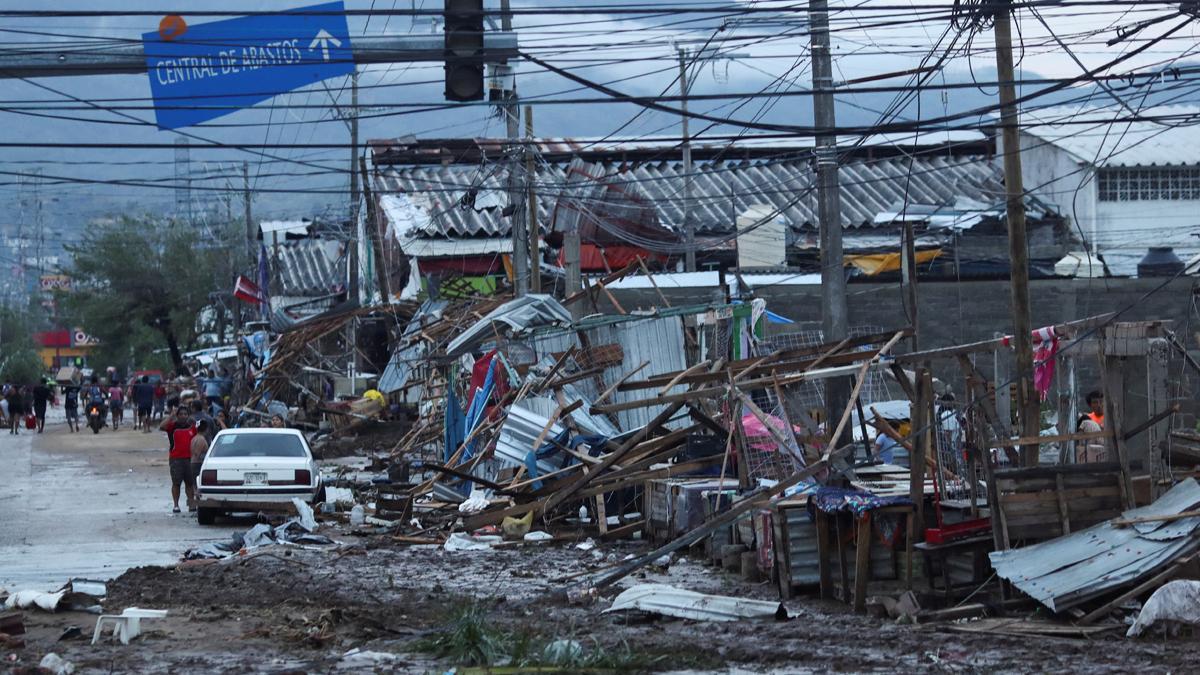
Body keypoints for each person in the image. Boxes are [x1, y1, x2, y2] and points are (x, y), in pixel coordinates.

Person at [160, 405, 197, 513]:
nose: (183, 416)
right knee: (176, 483)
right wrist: (171, 415)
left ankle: (191, 504)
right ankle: (176, 505)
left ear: (188, 415)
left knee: (190, 483)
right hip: (176, 459)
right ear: (177, 415)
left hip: (189, 459)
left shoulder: (192, 427)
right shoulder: (172, 427)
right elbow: (161, 426)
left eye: (185, 414)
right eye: (181, 414)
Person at [190, 419, 210, 487]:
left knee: (195, 486)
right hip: (197, 464)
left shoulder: (194, 438)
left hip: (193, 463)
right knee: (197, 486)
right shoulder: (201, 439)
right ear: (206, 429)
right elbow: (197, 454)